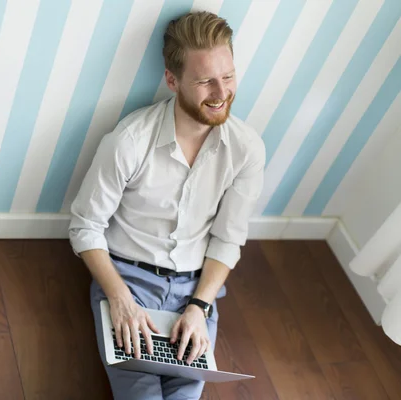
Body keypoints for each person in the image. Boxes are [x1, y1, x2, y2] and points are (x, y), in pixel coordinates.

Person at [68, 11, 265, 400]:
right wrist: (120, 298)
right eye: (205, 80)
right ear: (172, 81)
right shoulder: (129, 141)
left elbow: (227, 240)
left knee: (184, 396)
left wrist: (198, 307)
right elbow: (84, 227)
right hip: (128, 281)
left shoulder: (247, 150)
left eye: (227, 76)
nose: (221, 92)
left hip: (195, 289)